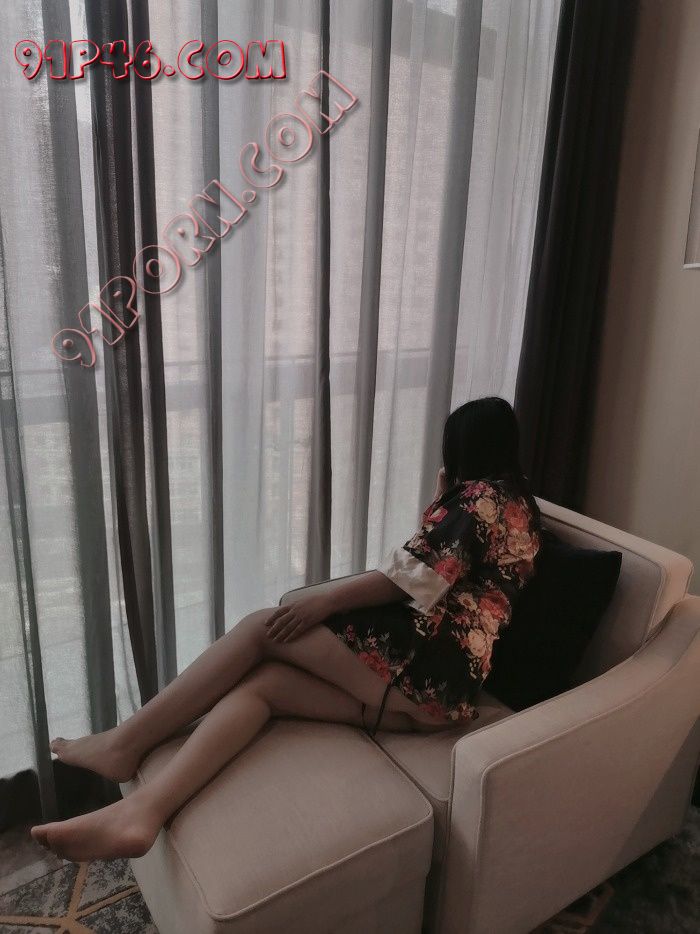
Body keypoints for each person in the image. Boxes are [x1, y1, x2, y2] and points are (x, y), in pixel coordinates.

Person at [31, 396, 541, 862]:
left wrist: (325, 600)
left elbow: (412, 577)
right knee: (265, 688)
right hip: (442, 706)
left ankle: (124, 744)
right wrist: (442, 498)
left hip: (422, 671)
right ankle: (144, 812)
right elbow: (443, 568)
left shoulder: (481, 498)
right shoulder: (523, 509)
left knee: (261, 629)